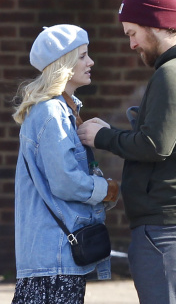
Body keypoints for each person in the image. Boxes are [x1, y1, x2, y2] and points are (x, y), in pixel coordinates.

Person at [77, 0, 176, 304]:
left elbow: (156, 145)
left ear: (155, 24)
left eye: (132, 33)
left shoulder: (173, 73)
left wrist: (102, 136)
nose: (131, 44)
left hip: (167, 230)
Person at [11, 24, 118, 304]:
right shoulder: (51, 112)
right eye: (82, 56)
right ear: (64, 64)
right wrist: (105, 189)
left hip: (54, 256)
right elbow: (65, 181)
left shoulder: (63, 110)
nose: (90, 61)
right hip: (54, 258)